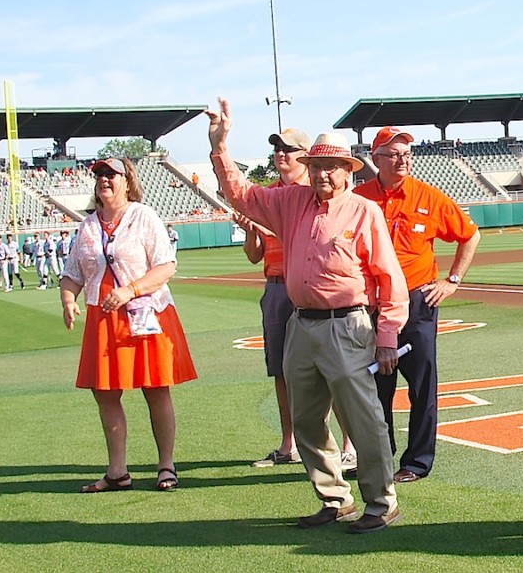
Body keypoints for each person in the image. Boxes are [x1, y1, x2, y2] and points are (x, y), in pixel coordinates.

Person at [206, 98, 409, 534]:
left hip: (348, 324)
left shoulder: (363, 211)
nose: (322, 174)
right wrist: (220, 147)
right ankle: (334, 498)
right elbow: (240, 194)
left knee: (363, 417)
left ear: (348, 170)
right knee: (305, 418)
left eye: (332, 166)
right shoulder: (290, 202)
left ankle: (381, 501)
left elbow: (389, 278)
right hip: (302, 323)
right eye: (316, 165)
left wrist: (388, 334)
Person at [59, 158, 198, 493]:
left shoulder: (143, 216)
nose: (104, 180)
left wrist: (130, 290)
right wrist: (67, 300)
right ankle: (117, 471)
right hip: (103, 318)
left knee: (155, 388)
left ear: (127, 180)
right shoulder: (88, 225)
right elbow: (73, 272)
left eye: (111, 174)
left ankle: (166, 465)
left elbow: (166, 267)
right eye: (99, 175)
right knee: (104, 392)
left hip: (145, 314)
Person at [355, 126, 480, 483]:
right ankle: (380, 455)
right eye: (393, 154)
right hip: (372, 304)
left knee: (422, 384)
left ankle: (417, 461)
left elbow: (470, 235)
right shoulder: (359, 198)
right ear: (376, 159)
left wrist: (452, 281)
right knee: (376, 385)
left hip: (417, 299)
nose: (402, 160)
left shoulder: (428, 196)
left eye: (406, 154)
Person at [238, 128, 360, 472]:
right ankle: (288, 442)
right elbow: (253, 255)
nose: (281, 154)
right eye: (277, 149)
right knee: (280, 368)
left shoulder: (315, 196)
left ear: (306, 157)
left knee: (332, 370)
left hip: (316, 290)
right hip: (278, 284)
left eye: (289, 149)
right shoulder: (270, 196)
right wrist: (250, 230)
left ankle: (349, 444)